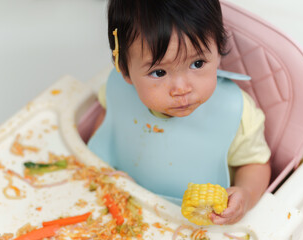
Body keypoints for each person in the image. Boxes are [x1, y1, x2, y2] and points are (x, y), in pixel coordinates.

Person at [88, 0, 271, 225]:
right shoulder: (117, 88)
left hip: (197, 224)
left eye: (197, 64)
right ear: (125, 70)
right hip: (127, 207)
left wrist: (246, 194)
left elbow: (255, 164)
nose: (182, 89)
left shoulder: (235, 112)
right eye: (159, 72)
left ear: (219, 50)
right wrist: (100, 164)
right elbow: (112, 120)